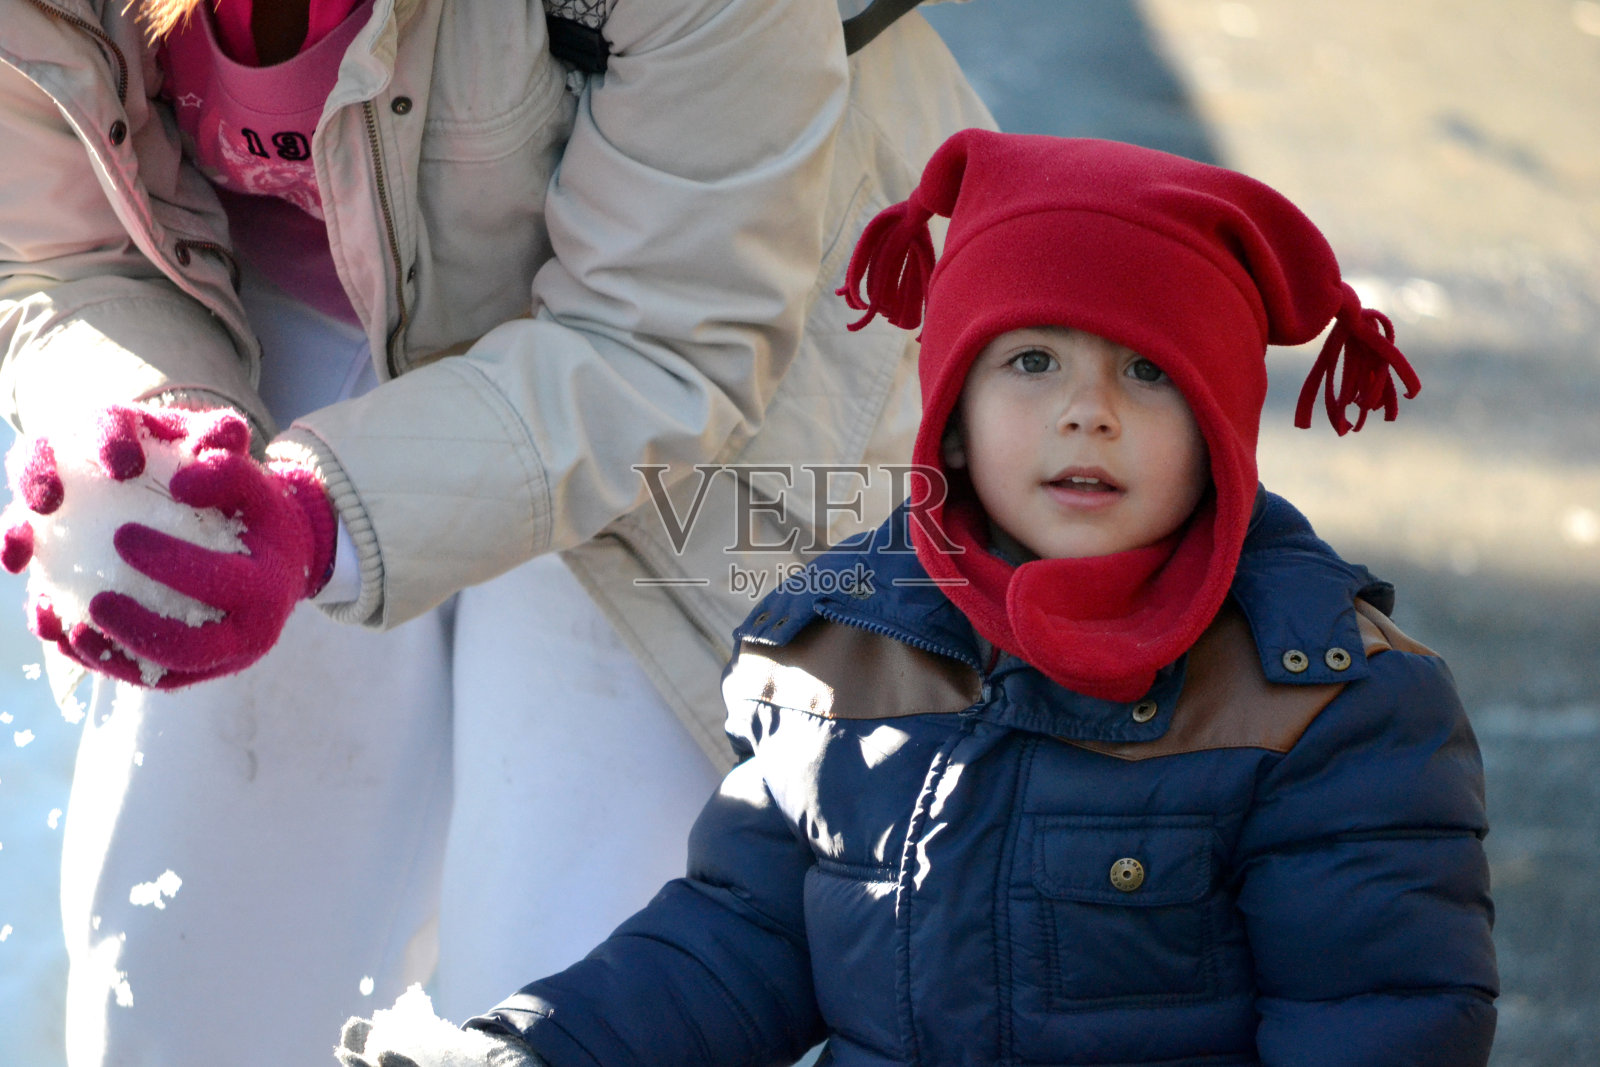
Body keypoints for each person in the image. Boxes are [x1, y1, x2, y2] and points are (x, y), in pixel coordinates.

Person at [336, 129, 1499, 1066]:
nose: (1084, 409)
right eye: (1030, 360)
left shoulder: (1325, 704)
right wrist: (531, 1050)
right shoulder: (844, 647)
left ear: (1220, 425)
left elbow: (1380, 1016)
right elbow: (743, 940)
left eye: (1146, 370)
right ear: (950, 402)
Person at [0, 0, 993, 1063]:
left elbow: (664, 337)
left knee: (560, 985)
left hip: (703, 391)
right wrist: (144, 429)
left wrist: (319, 516)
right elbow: (67, 252)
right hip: (278, 308)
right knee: (182, 976)